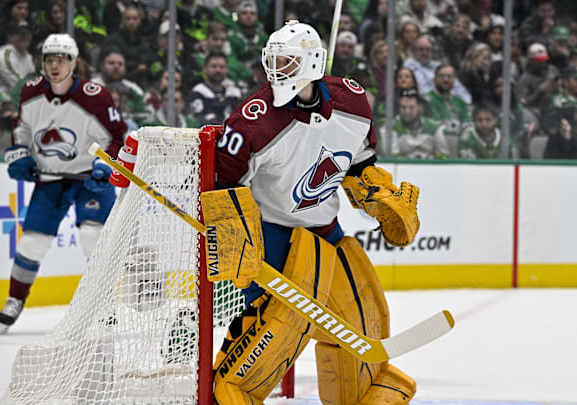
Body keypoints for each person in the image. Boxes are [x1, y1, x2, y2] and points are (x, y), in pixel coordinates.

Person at [206, 20, 419, 404]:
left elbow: (358, 163)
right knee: (278, 329)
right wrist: (234, 234)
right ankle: (231, 394)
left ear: (312, 63)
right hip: (273, 236)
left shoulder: (353, 103)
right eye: (273, 61)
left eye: (287, 62)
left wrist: (373, 189)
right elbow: (224, 184)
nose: (276, 72)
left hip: (327, 231)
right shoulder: (253, 121)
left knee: (363, 319)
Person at [0, 34, 127, 334]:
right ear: (42, 63)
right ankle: (15, 299)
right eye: (49, 59)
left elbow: (118, 135)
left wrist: (105, 164)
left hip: (89, 180)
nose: (55, 66)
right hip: (50, 179)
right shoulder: (30, 92)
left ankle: (105, 304)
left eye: (62, 59)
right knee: (32, 242)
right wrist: (19, 155)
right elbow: (23, 128)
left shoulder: (95, 96)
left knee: (93, 238)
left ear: (74, 62)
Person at [381, 88, 450, 158]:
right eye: (403, 107)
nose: (407, 112)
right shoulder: (390, 127)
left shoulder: (434, 127)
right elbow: (391, 158)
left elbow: (443, 156)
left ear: (419, 107)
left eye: (411, 107)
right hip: (402, 168)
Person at [188, 53, 242, 125]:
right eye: (214, 66)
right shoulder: (198, 92)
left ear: (226, 69)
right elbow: (200, 119)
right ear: (205, 69)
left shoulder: (233, 93)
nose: (218, 70)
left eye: (222, 67)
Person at [425, 64, 471, 141]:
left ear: (454, 80)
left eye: (449, 76)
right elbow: (432, 126)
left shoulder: (460, 101)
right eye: (442, 76)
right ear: (434, 79)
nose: (445, 79)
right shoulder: (426, 100)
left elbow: (467, 124)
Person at [0, 20, 35, 98]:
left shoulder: (27, 56)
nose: (25, 36)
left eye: (27, 33)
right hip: (2, 104)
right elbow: (20, 87)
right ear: (9, 37)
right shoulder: (4, 57)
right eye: (20, 34)